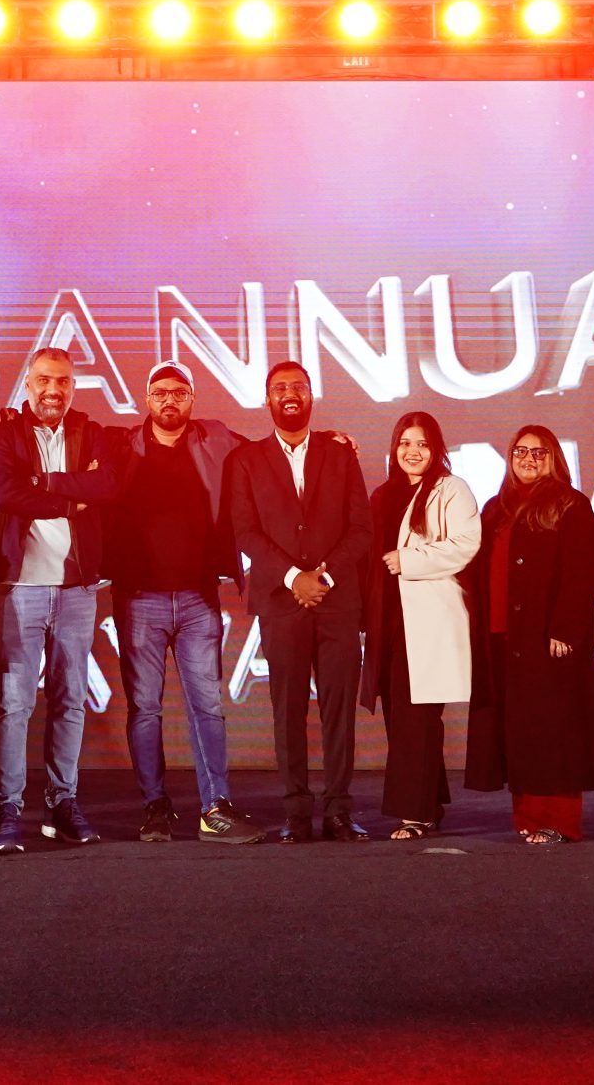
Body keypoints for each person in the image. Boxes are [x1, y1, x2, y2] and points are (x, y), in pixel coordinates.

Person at [100, 361, 263, 845]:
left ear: (192, 398)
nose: (169, 400)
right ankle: (155, 807)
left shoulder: (217, 438)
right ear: (146, 399)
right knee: (144, 709)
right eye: (160, 392)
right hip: (138, 599)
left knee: (207, 706)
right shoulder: (121, 444)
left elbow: (271, 455)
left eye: (178, 392)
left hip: (197, 597)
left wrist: (328, 441)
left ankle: (216, 808)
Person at [0, 347, 117, 852]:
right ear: (28, 384)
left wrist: (44, 482)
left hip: (77, 589)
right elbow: (1, 493)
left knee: (70, 700)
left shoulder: (92, 433)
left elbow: (107, 484)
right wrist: (70, 502)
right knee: (15, 703)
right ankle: (7, 807)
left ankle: (62, 803)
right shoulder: (3, 432)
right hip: (21, 588)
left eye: (62, 381)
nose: (53, 390)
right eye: (43, 380)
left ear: (73, 386)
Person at [225, 360, 371, 842]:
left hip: (337, 600)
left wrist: (321, 576)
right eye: (279, 388)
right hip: (281, 603)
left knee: (339, 710)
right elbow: (245, 531)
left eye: (298, 387)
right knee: (287, 711)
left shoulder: (340, 453)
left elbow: (361, 529)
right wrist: (293, 578)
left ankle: (339, 810)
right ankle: (296, 814)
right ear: (267, 399)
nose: (289, 394)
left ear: (311, 395)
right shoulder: (246, 460)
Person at [463, 424, 594, 843]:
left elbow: (582, 572)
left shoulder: (571, 504)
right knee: (520, 733)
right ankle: (527, 818)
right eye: (521, 452)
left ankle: (559, 822)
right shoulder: (496, 508)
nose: (528, 459)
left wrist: (564, 628)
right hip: (502, 636)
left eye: (539, 452)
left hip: (547, 637)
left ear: (553, 459)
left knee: (554, 731)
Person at [360, 410, 479, 839]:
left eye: (423, 444)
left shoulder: (452, 489)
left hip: (429, 620)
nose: (413, 452)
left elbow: (466, 544)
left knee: (417, 719)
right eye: (405, 443)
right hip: (389, 622)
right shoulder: (382, 495)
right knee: (402, 719)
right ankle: (430, 802)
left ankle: (415, 814)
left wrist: (408, 560)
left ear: (436, 449)